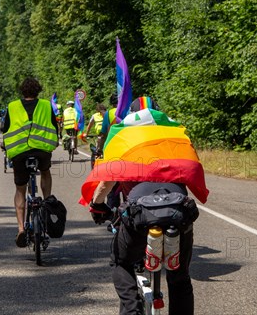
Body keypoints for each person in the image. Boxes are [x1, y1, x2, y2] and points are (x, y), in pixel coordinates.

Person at [80, 97, 209, 315]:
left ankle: (132, 310)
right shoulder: (175, 136)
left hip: (140, 213)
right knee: (180, 278)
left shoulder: (124, 138)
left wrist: (97, 205)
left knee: (122, 263)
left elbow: (106, 184)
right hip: (178, 211)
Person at [1, 77, 59, 247]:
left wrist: (5, 145)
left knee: (20, 189)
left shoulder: (12, 106)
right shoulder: (47, 106)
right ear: (38, 90)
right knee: (46, 171)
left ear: (22, 91)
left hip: (19, 151)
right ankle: (47, 200)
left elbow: (6, 129)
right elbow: (54, 128)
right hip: (41, 149)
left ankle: (20, 229)